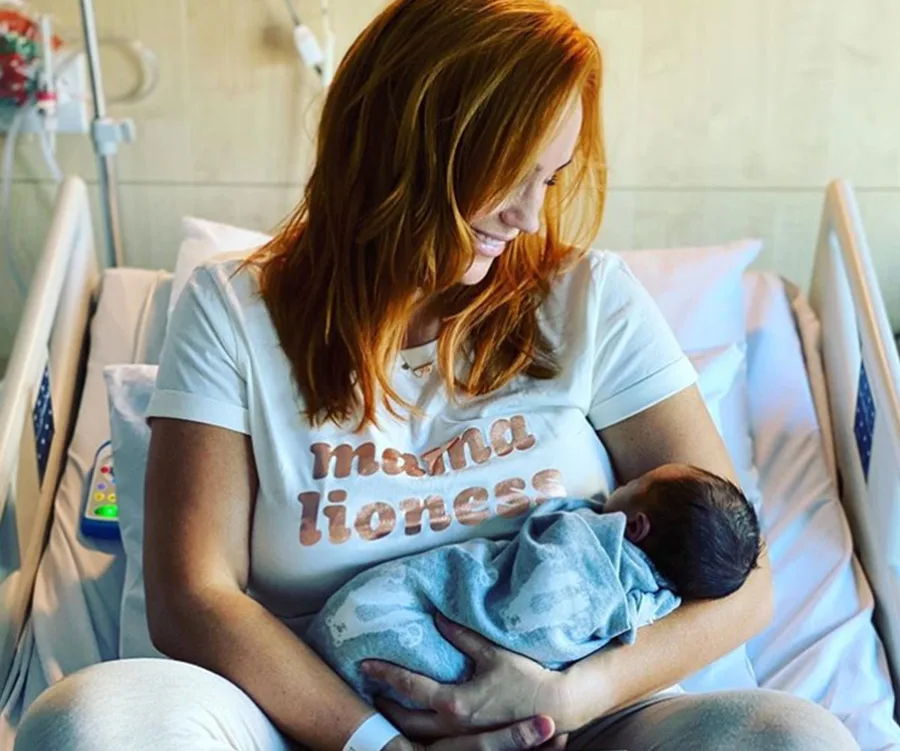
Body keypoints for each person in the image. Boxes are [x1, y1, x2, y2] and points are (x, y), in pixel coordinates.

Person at [15, 1, 860, 750]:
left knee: (795, 737)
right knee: (94, 723)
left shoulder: (588, 300)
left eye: (550, 178)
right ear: (408, 143)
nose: (531, 215)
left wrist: (564, 698)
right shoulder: (236, 312)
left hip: (579, 718)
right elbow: (193, 593)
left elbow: (745, 585)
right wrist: (381, 744)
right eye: (511, 171)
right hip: (311, 717)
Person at [305, 463, 762, 704]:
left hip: (497, 666)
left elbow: (539, 554)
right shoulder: (651, 605)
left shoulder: (586, 538)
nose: (621, 483)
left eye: (635, 482)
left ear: (636, 526)